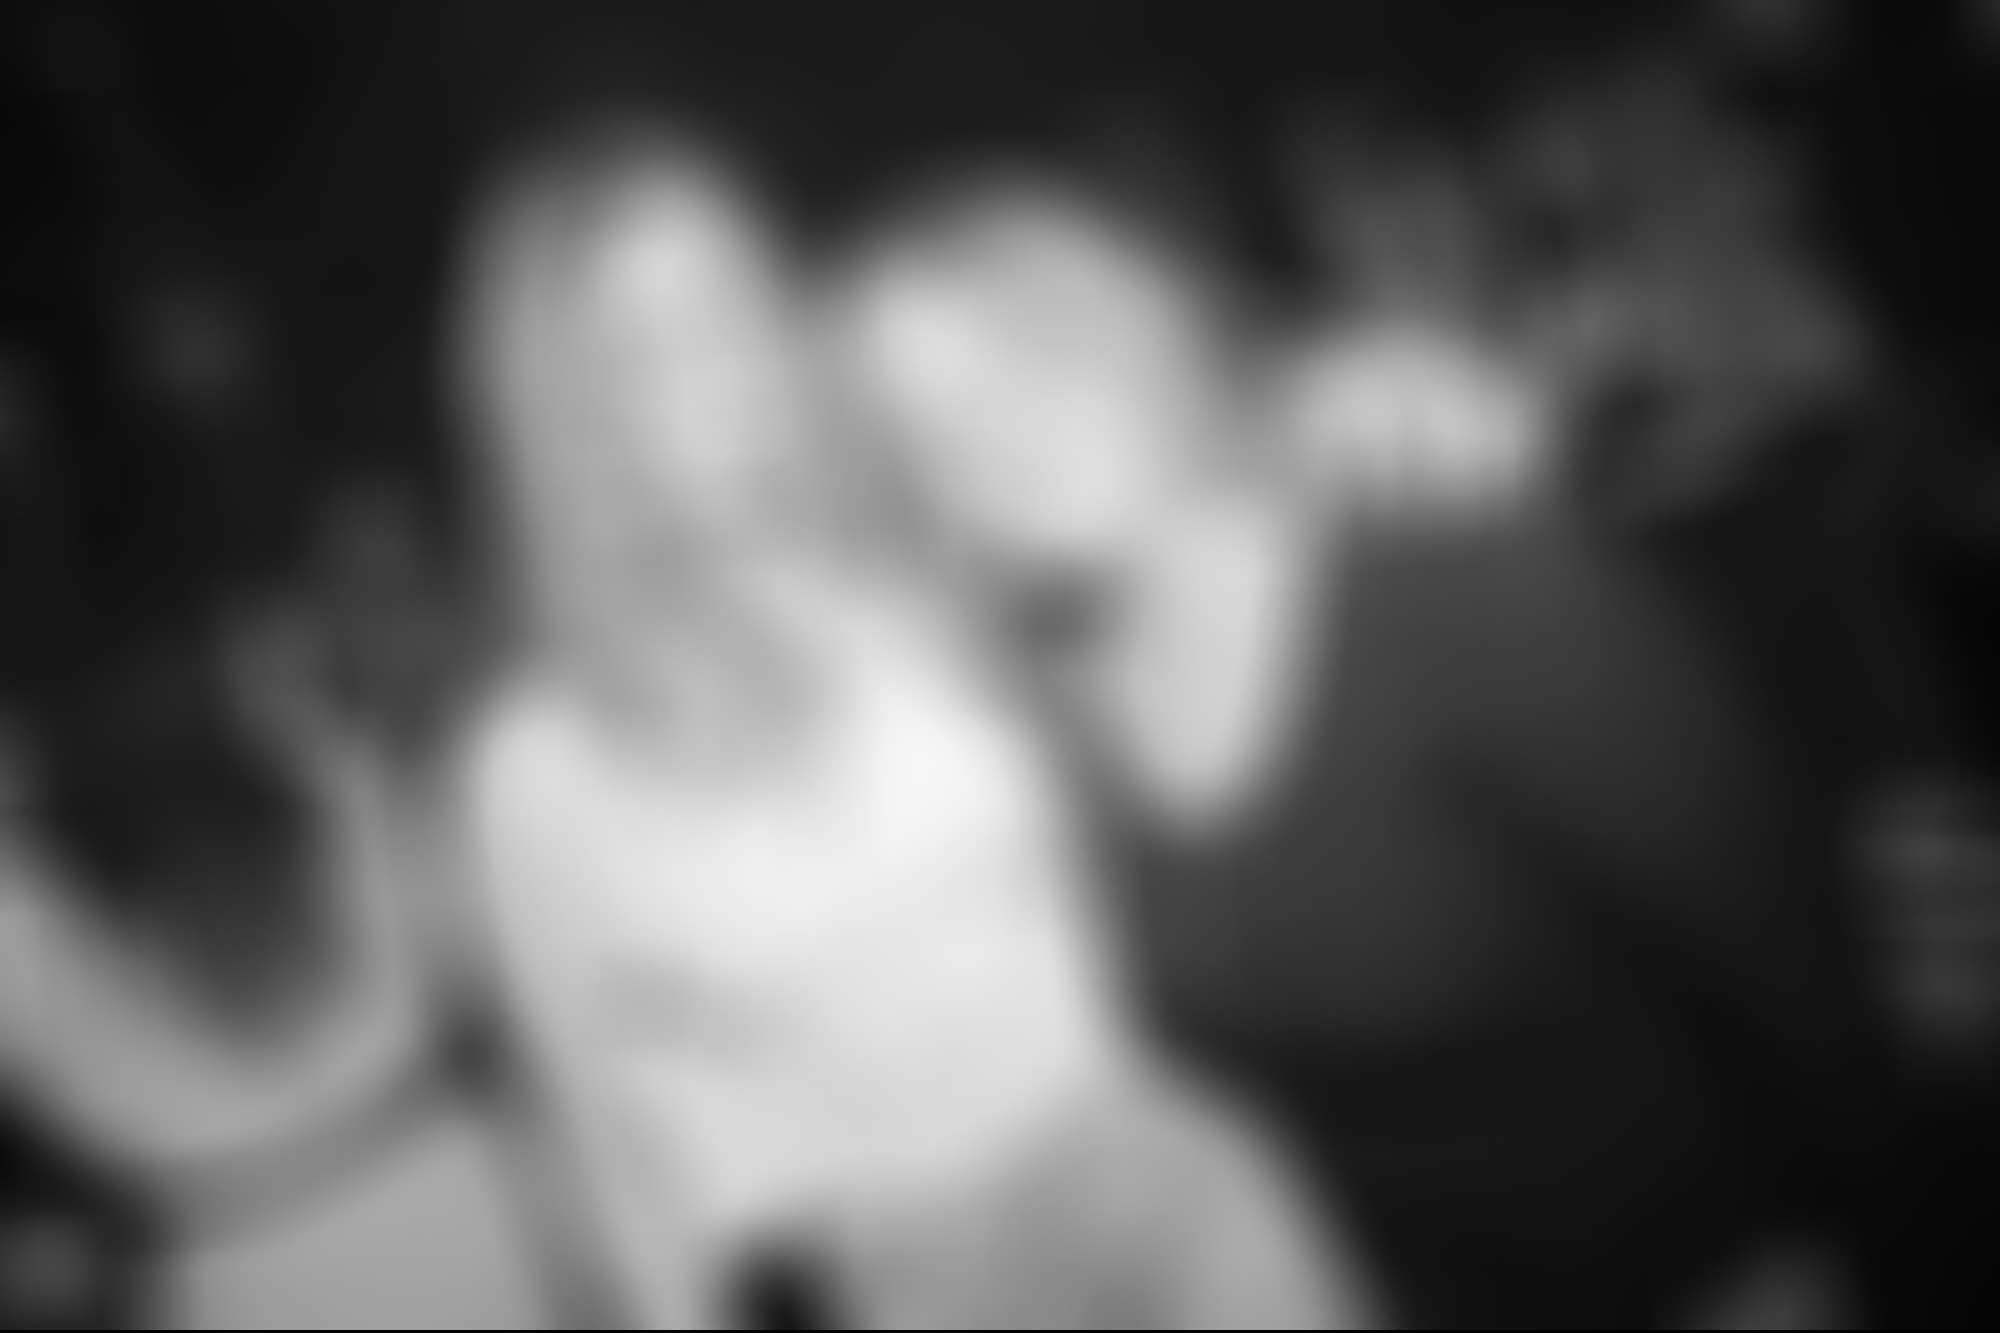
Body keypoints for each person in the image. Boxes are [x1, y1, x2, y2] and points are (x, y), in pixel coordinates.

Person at [832, 158, 1892, 1328]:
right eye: (931, 432)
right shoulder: (1049, 732)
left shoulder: (1473, 594)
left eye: (1031, 366)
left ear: (1141, 338)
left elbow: (1804, 979)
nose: (997, 444)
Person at [447, 114, 1359, 1329]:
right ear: (571, 410)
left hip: (1169, 1167)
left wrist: (1356, 445)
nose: (728, 366)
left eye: (735, 302)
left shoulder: (912, 549)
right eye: (655, 343)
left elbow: (1184, 561)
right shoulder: (542, 764)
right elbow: (614, 1165)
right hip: (922, 1280)